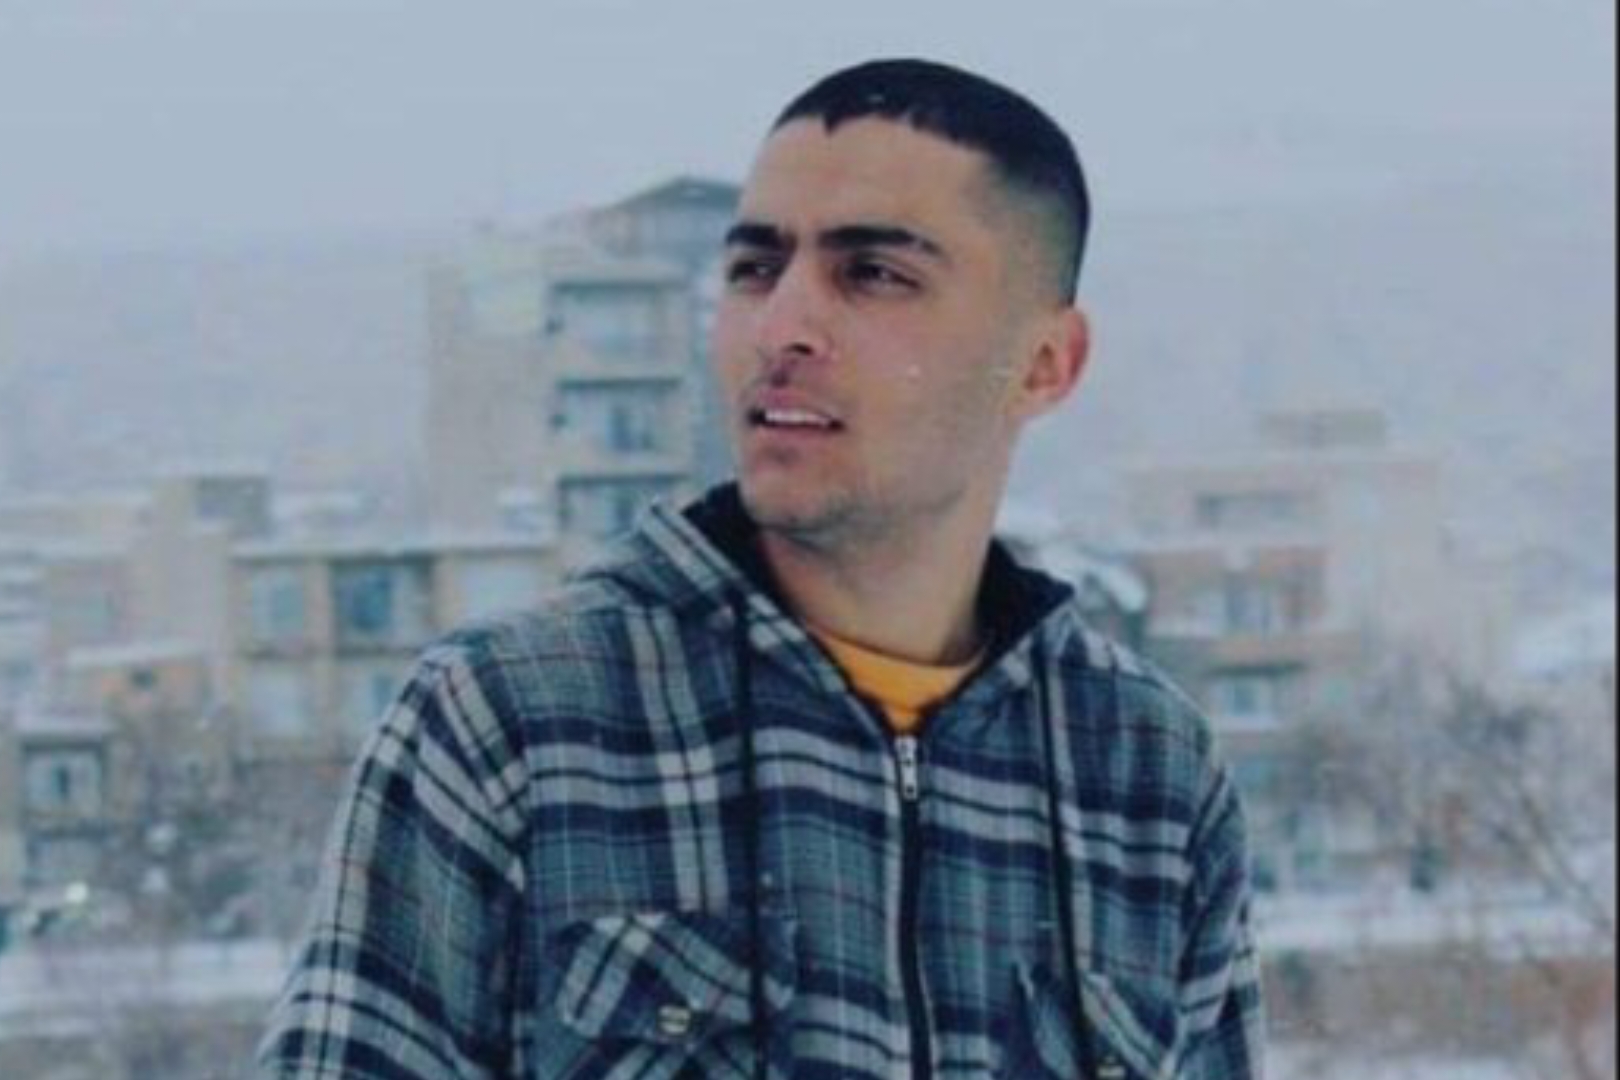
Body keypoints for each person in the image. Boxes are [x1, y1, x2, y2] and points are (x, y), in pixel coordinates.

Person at [257, 58, 1264, 1080]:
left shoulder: (1147, 774)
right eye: (754, 269)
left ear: (1045, 364)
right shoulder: (514, 720)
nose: (781, 326)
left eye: (873, 274)